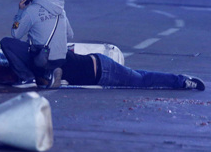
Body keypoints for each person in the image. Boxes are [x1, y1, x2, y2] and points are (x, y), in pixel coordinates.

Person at [0, 0, 73, 89]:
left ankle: (27, 78)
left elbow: (15, 34)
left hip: (42, 59)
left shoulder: (31, 10)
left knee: (6, 43)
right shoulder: (60, 10)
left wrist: (20, 12)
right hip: (61, 59)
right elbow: (70, 35)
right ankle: (49, 74)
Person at [61, 50, 205, 90]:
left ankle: (182, 81)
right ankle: (180, 80)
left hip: (103, 71)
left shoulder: (48, 59)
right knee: (140, 77)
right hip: (100, 68)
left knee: (142, 80)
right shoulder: (50, 51)